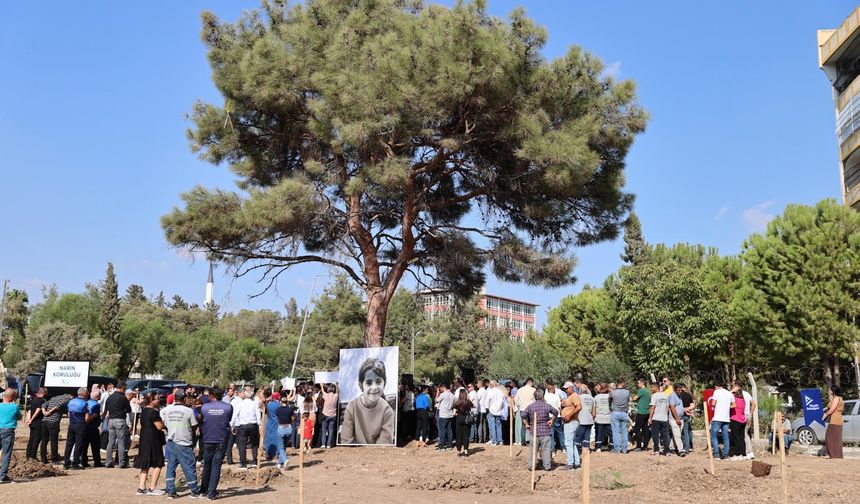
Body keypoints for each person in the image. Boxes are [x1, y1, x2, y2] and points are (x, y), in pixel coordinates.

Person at [339, 358, 395, 445]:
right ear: (361, 386)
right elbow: (346, 440)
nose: (374, 387)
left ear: (385, 383)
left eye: (378, 382)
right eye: (369, 383)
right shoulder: (352, 407)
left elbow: (385, 443)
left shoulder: (387, 411)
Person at [161, 391, 202, 498]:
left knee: (171, 467)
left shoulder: (167, 409)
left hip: (170, 441)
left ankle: (170, 491)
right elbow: (194, 426)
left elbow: (164, 423)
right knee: (189, 466)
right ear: (184, 399)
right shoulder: (188, 411)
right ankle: (194, 490)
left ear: (174, 398)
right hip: (184, 442)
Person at [200, 387, 232, 500]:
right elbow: (228, 419)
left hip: (208, 438)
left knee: (207, 465)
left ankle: (204, 490)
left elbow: (203, 419)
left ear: (211, 395)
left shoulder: (204, 407)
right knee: (216, 466)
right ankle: (211, 493)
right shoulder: (228, 407)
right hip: (221, 438)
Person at [134, 393, 166, 496]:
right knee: (158, 462)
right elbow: (159, 427)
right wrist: (164, 424)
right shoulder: (153, 412)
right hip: (153, 438)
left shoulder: (143, 411)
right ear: (152, 400)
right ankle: (152, 487)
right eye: (157, 398)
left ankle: (141, 487)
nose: (159, 400)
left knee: (145, 462)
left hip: (144, 438)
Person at [522, 388, 558, 471]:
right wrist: (551, 420)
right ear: (542, 397)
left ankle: (532, 466)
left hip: (534, 431)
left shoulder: (530, 407)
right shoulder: (546, 405)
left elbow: (523, 415)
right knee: (546, 449)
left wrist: (526, 424)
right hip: (545, 431)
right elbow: (556, 412)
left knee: (533, 450)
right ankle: (547, 466)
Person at [230, 389, 262, 469]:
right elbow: (258, 416)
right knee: (254, 444)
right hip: (253, 425)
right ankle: (255, 462)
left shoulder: (240, 404)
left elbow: (234, 415)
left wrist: (232, 426)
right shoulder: (255, 404)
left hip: (243, 426)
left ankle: (243, 463)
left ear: (245, 395)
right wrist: (260, 426)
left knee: (242, 445)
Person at [104, 381, 131, 468]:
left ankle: (108, 462)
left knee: (110, 442)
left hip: (111, 421)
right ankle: (121, 462)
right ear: (122, 388)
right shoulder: (123, 398)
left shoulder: (110, 397)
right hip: (120, 420)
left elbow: (106, 409)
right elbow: (128, 409)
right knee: (121, 442)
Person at [40, 392, 71, 464]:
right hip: (53, 421)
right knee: (54, 441)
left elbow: (44, 404)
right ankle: (54, 459)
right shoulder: (67, 399)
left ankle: (43, 459)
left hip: (44, 421)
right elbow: (58, 406)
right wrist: (50, 412)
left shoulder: (54, 398)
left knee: (44, 441)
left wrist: (44, 412)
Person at [63, 387, 89, 470]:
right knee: (78, 444)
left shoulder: (71, 401)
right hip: (80, 424)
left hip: (72, 424)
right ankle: (75, 463)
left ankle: (66, 463)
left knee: (69, 443)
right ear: (85, 394)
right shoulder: (85, 403)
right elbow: (87, 418)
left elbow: (69, 414)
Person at [708, 382, 735, 460]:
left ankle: (716, 454)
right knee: (726, 436)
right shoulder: (729, 393)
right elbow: (734, 405)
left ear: (716, 386)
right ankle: (726, 454)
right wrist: (726, 406)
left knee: (713, 435)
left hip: (717, 418)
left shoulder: (716, 392)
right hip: (726, 418)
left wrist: (719, 405)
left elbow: (713, 403)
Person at [0, 388, 21, 484]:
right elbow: (19, 417)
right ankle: (2, 476)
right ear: (12, 398)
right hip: (8, 431)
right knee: (6, 454)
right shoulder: (14, 407)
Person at [559, 381, 582, 470]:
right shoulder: (570, 397)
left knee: (568, 443)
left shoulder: (574, 396)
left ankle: (570, 463)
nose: (566, 390)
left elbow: (579, 407)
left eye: (566, 388)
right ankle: (576, 463)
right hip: (570, 422)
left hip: (571, 422)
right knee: (571, 443)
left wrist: (569, 415)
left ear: (571, 387)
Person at [81, 389, 103, 468]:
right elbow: (95, 415)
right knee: (95, 446)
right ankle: (97, 462)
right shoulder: (96, 405)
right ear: (97, 397)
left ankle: (84, 462)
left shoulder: (86, 402)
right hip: (93, 427)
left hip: (84, 427)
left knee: (84, 446)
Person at [648, 382, 671, 456]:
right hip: (664, 418)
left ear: (656, 387)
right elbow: (667, 407)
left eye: (652, 387)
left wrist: (650, 418)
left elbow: (652, 408)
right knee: (665, 435)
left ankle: (656, 450)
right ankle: (667, 451)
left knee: (655, 435)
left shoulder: (654, 396)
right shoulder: (665, 395)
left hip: (656, 418)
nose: (651, 389)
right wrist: (665, 415)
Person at [609, 379, 631, 454]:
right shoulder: (627, 392)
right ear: (623, 383)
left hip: (615, 412)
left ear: (617, 383)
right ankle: (624, 449)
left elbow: (609, 400)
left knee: (615, 431)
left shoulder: (613, 392)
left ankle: (617, 449)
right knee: (624, 431)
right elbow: (628, 401)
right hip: (624, 412)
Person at [822, 385, 844, 459]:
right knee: (836, 438)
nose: (830, 391)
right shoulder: (839, 398)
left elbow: (832, 409)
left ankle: (831, 454)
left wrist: (825, 415)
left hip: (834, 420)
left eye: (830, 390)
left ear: (833, 391)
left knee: (830, 437)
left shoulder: (836, 399)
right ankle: (836, 454)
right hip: (837, 420)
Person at [26, 387, 47, 460]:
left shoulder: (34, 399)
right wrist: (31, 419)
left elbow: (29, 410)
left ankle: (28, 455)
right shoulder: (42, 401)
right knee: (36, 439)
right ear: (44, 393)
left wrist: (28, 419)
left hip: (32, 423)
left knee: (31, 438)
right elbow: (38, 411)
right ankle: (33, 456)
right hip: (38, 422)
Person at [274, 395, 294, 469]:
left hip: (281, 427)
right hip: (288, 427)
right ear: (287, 402)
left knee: (281, 447)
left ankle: (285, 460)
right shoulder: (290, 409)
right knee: (284, 447)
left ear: (280, 402)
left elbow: (277, 416)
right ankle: (280, 463)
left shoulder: (278, 409)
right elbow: (293, 418)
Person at [574, 384, 595, 457]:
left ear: (580, 391)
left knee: (578, 436)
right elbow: (594, 412)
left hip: (581, 420)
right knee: (587, 437)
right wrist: (591, 418)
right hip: (589, 420)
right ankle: (586, 451)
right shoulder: (592, 398)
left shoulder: (578, 397)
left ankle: (576, 450)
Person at [544, 380, 564, 452]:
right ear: (552, 389)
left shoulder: (545, 397)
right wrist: (561, 415)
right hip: (557, 416)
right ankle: (563, 447)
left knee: (551, 433)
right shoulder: (556, 396)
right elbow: (559, 407)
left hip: (549, 416)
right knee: (560, 432)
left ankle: (552, 449)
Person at [631, 379, 651, 451]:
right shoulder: (648, 391)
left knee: (636, 429)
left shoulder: (641, 391)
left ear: (642, 383)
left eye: (638, 383)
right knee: (645, 429)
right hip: (647, 412)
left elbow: (634, 398)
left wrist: (633, 398)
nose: (637, 384)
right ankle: (645, 446)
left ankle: (639, 446)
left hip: (641, 412)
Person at [515, 378, 536, 445]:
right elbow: (535, 400)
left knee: (523, 426)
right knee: (532, 425)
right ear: (531, 382)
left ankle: (523, 441)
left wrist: (519, 405)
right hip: (531, 409)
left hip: (522, 409)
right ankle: (531, 440)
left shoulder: (520, 390)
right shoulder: (533, 390)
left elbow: (516, 399)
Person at [434, 383, 455, 450]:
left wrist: (437, 393)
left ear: (443, 387)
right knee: (449, 430)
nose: (440, 389)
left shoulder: (443, 394)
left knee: (442, 430)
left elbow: (436, 400)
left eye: (440, 388)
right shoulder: (452, 395)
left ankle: (442, 446)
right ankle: (449, 445)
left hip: (443, 415)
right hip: (450, 414)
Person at [676, 384, 695, 455]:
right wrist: (687, 409)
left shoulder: (677, 395)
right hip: (687, 415)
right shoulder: (688, 395)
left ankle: (683, 448)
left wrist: (683, 409)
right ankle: (688, 447)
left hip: (680, 416)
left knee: (680, 433)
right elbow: (693, 405)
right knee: (686, 432)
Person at [728, 387, 747, 460]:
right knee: (742, 438)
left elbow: (727, 395)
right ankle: (743, 453)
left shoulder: (734, 399)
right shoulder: (743, 400)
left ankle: (737, 454)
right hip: (742, 420)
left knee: (736, 438)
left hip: (735, 419)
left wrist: (732, 390)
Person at [486, 380, 506, 446]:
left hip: (492, 410)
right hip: (498, 411)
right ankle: (500, 441)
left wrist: (487, 407)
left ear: (491, 385)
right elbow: (503, 402)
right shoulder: (500, 392)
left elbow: (487, 401)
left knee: (492, 426)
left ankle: (494, 441)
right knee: (498, 426)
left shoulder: (490, 391)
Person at [453, 389, 472, 457]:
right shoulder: (468, 402)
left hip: (459, 419)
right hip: (466, 420)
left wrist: (457, 414)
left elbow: (454, 413)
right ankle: (466, 451)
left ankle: (459, 451)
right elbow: (474, 407)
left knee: (458, 435)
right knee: (466, 435)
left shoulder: (457, 402)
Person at [593, 383, 612, 452]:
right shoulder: (610, 396)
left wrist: (593, 416)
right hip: (608, 417)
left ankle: (598, 447)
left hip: (599, 417)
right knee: (610, 433)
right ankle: (611, 446)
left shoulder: (596, 397)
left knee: (599, 433)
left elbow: (594, 408)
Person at [263, 391, 281, 460]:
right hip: (276, 422)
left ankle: (268, 453)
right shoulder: (278, 405)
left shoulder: (269, 404)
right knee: (277, 438)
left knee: (269, 438)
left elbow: (266, 412)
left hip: (270, 422)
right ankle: (277, 453)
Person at [320, 384, 338, 449]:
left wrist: (321, 385)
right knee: (331, 430)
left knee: (324, 430)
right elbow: (338, 391)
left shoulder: (326, 395)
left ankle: (323, 444)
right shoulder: (336, 396)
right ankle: (328, 444)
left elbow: (322, 391)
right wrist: (337, 385)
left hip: (325, 415)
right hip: (333, 415)